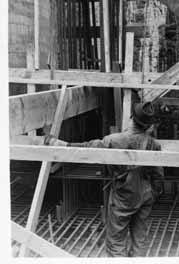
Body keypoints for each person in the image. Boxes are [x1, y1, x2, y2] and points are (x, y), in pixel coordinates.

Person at [44, 102, 164, 257]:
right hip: (145, 195)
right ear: (148, 126)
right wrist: (153, 194)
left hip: (124, 195)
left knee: (116, 242)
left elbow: (88, 148)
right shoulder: (154, 144)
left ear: (131, 119)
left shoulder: (114, 140)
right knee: (140, 240)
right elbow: (158, 175)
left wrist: (63, 144)